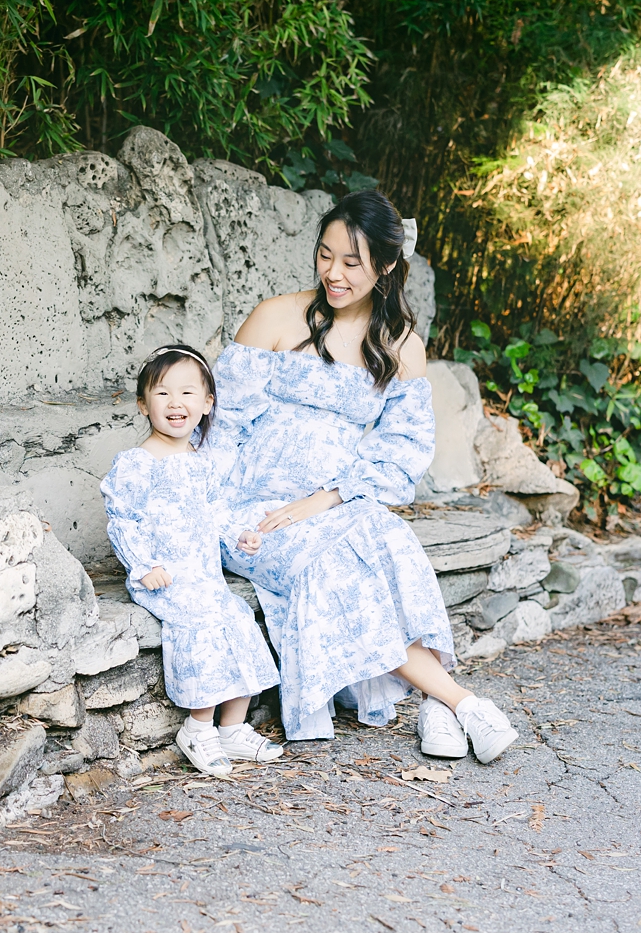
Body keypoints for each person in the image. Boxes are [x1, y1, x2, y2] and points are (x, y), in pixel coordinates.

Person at [207, 190, 518, 763]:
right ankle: (457, 701)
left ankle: (443, 704)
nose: (334, 273)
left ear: (387, 265)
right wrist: (207, 513)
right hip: (252, 510)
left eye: (352, 262)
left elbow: (402, 451)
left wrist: (326, 499)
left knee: (391, 539)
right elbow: (221, 428)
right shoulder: (275, 317)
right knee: (336, 562)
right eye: (326, 255)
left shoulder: (400, 348)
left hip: (334, 504)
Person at [100, 344, 286, 778]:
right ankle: (198, 727)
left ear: (206, 404)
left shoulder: (200, 464)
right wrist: (143, 566)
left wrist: (238, 534)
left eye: (187, 393)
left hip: (203, 576)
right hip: (163, 577)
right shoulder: (136, 463)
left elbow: (215, 510)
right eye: (162, 393)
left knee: (237, 618)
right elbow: (122, 520)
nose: (175, 403)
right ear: (143, 405)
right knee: (202, 625)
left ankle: (232, 727)